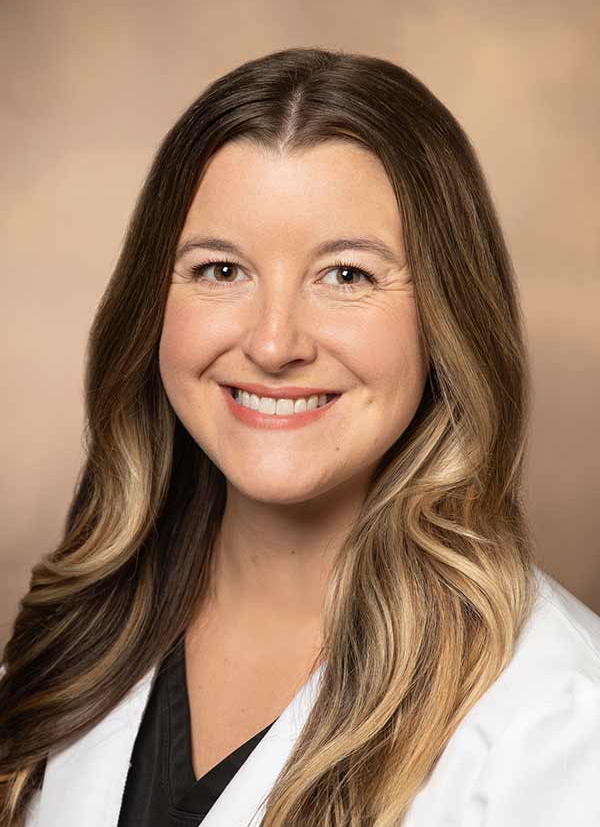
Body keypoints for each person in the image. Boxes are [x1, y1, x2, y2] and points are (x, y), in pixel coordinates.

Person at [1, 46, 599, 827]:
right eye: (221, 271)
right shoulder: (73, 639)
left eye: (347, 275)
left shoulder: (561, 723)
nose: (274, 343)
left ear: (448, 318)